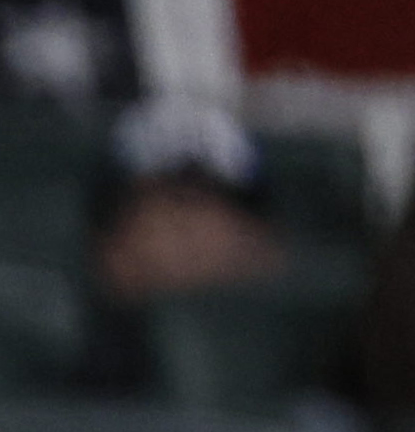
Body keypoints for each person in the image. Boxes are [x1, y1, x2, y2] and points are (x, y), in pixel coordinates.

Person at [80, 95, 293, 392]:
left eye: (213, 207)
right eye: (172, 206)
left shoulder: (319, 406)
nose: (192, 232)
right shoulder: (68, 408)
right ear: (112, 250)